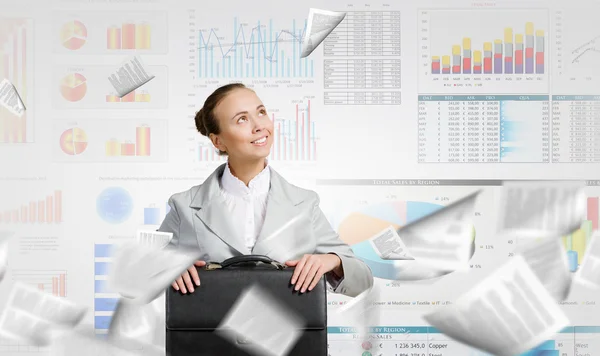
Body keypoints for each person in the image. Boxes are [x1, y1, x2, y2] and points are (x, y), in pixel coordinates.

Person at [158, 83, 373, 297]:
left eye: (261, 112)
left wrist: (333, 261)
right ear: (218, 141)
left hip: (290, 328)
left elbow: (363, 281)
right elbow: (136, 275)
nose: (259, 125)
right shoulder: (184, 206)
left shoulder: (304, 204)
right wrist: (166, 268)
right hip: (207, 328)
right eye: (242, 119)